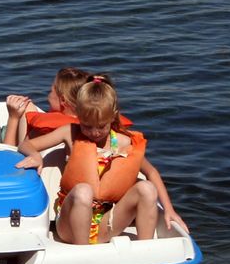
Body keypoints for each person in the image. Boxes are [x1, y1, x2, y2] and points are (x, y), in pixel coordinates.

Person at [15, 74, 188, 245]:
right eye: (87, 126)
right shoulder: (70, 133)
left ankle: (146, 253)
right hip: (69, 226)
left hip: (105, 223)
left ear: (112, 117)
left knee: (147, 189)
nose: (94, 132)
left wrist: (169, 210)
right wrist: (36, 155)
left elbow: (151, 172)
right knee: (84, 191)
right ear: (78, 117)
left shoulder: (122, 142)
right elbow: (25, 145)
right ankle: (85, 256)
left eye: (101, 127)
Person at [3, 67, 133, 146]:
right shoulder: (103, 124)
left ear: (63, 100)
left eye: (51, 91)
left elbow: (8, 157)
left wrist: (13, 118)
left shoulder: (44, 131)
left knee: (26, 107)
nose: (48, 95)